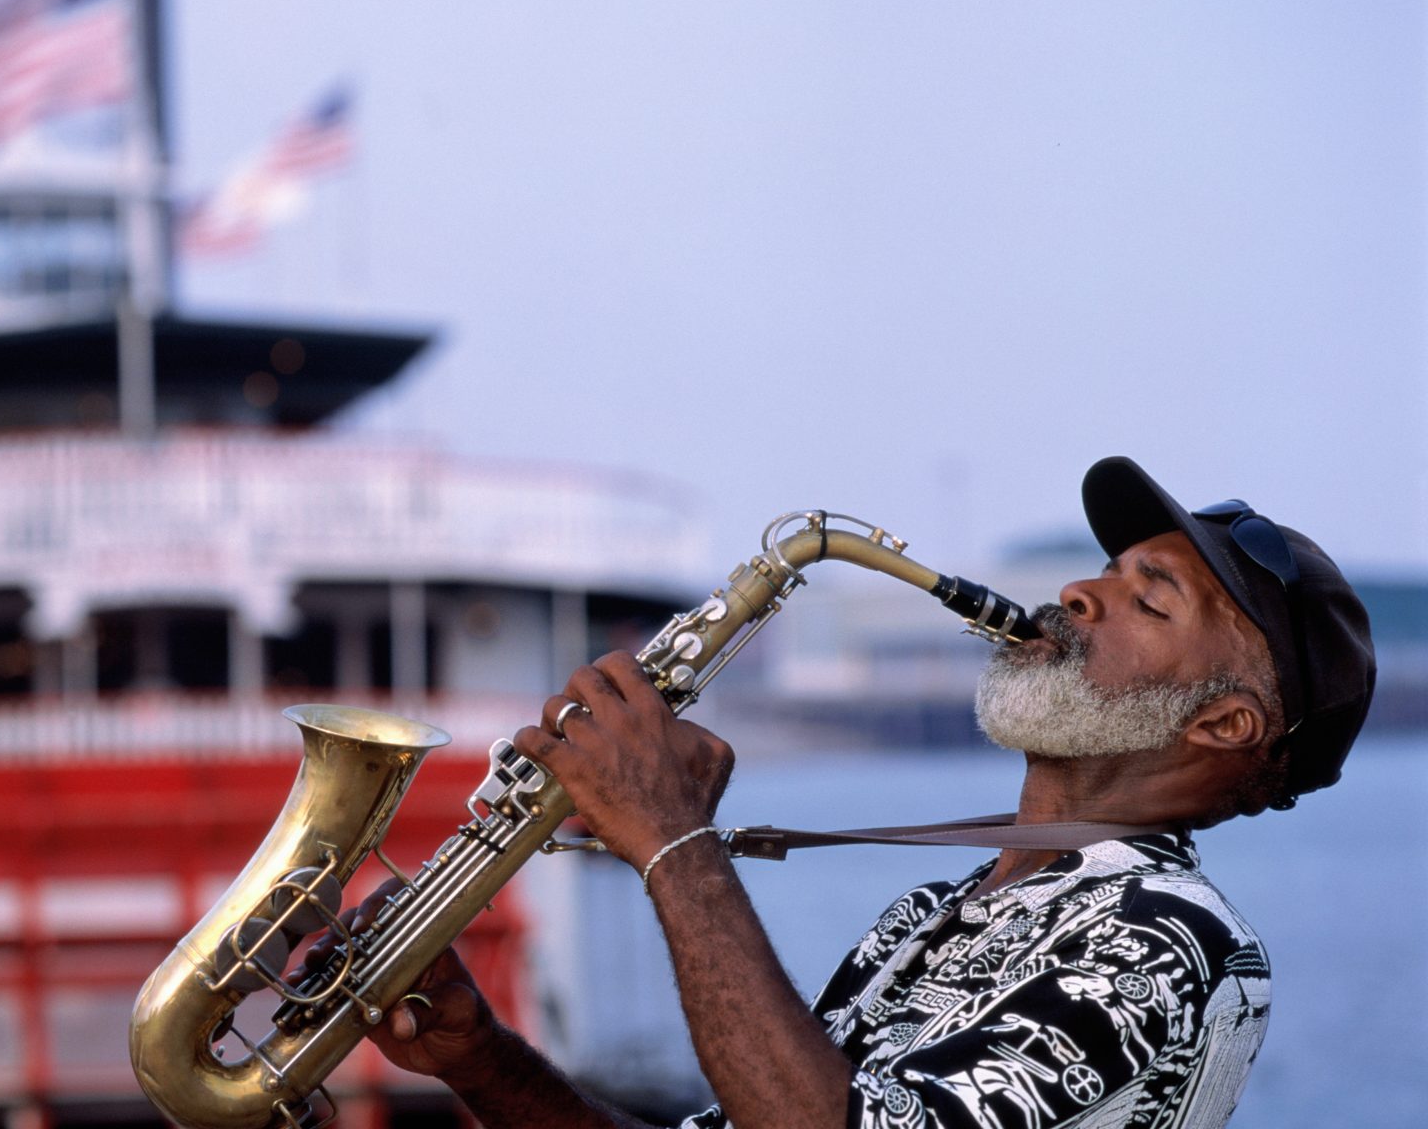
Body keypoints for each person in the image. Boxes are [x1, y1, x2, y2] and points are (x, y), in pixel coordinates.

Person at [342, 456, 1376, 1129]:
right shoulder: (934, 912)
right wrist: (484, 1058)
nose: (1077, 592)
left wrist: (672, 839)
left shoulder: (1169, 939)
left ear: (1223, 722)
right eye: (1104, 570)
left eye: (1148, 597)